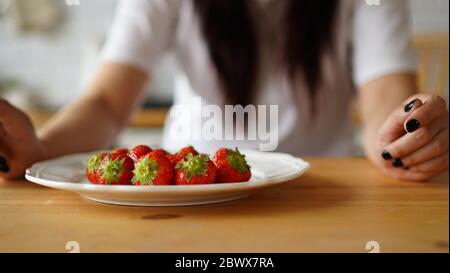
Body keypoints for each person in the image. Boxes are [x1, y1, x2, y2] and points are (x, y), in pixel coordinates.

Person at [0, 0, 448, 181]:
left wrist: (403, 140)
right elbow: (105, 101)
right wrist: (40, 148)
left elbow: (387, 91)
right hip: (182, 194)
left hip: (318, 191)